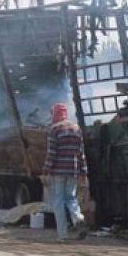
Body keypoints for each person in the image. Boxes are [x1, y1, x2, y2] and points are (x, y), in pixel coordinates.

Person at [42, 103, 88, 242]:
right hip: (73, 170)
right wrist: (83, 172)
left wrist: (45, 170)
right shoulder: (76, 129)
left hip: (58, 171)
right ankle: (78, 219)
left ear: (55, 114)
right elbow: (81, 153)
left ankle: (63, 235)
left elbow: (52, 153)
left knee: (58, 201)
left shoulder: (54, 129)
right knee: (71, 198)